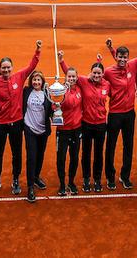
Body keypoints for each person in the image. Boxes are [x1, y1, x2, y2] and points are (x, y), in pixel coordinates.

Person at [0, 40, 42, 196]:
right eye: (3, 68)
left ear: (12, 68)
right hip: (0, 124)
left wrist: (37, 51)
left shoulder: (19, 77)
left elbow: (31, 66)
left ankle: (15, 179)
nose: (6, 70)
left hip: (16, 123)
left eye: (8, 67)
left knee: (16, 152)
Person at [101, 30, 137, 190]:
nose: (122, 59)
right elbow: (97, 80)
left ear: (128, 58)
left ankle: (124, 176)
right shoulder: (109, 72)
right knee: (110, 146)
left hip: (129, 115)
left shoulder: (133, 65)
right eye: (119, 57)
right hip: (114, 115)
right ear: (116, 57)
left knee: (128, 145)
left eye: (125, 57)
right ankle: (110, 177)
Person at [59, 50, 109, 193]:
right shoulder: (84, 82)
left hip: (100, 125)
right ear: (90, 73)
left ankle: (97, 180)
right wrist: (62, 60)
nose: (96, 75)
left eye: (99, 73)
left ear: (102, 74)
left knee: (99, 153)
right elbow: (70, 75)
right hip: (86, 124)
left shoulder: (107, 85)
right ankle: (87, 179)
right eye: (94, 73)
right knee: (86, 153)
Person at [21, 71, 53, 202]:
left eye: (39, 80)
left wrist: (56, 109)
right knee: (31, 157)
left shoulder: (47, 94)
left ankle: (36, 177)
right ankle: (30, 186)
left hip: (43, 130)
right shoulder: (26, 91)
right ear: (31, 81)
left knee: (40, 155)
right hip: (29, 129)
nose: (36, 82)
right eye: (34, 80)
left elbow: (51, 111)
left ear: (43, 81)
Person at [54, 66, 84, 196]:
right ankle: (62, 184)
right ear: (65, 78)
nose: (71, 78)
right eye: (69, 76)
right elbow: (54, 106)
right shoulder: (60, 91)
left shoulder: (80, 90)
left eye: (73, 76)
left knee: (74, 157)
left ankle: (71, 182)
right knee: (61, 158)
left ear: (77, 78)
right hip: (63, 130)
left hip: (76, 130)